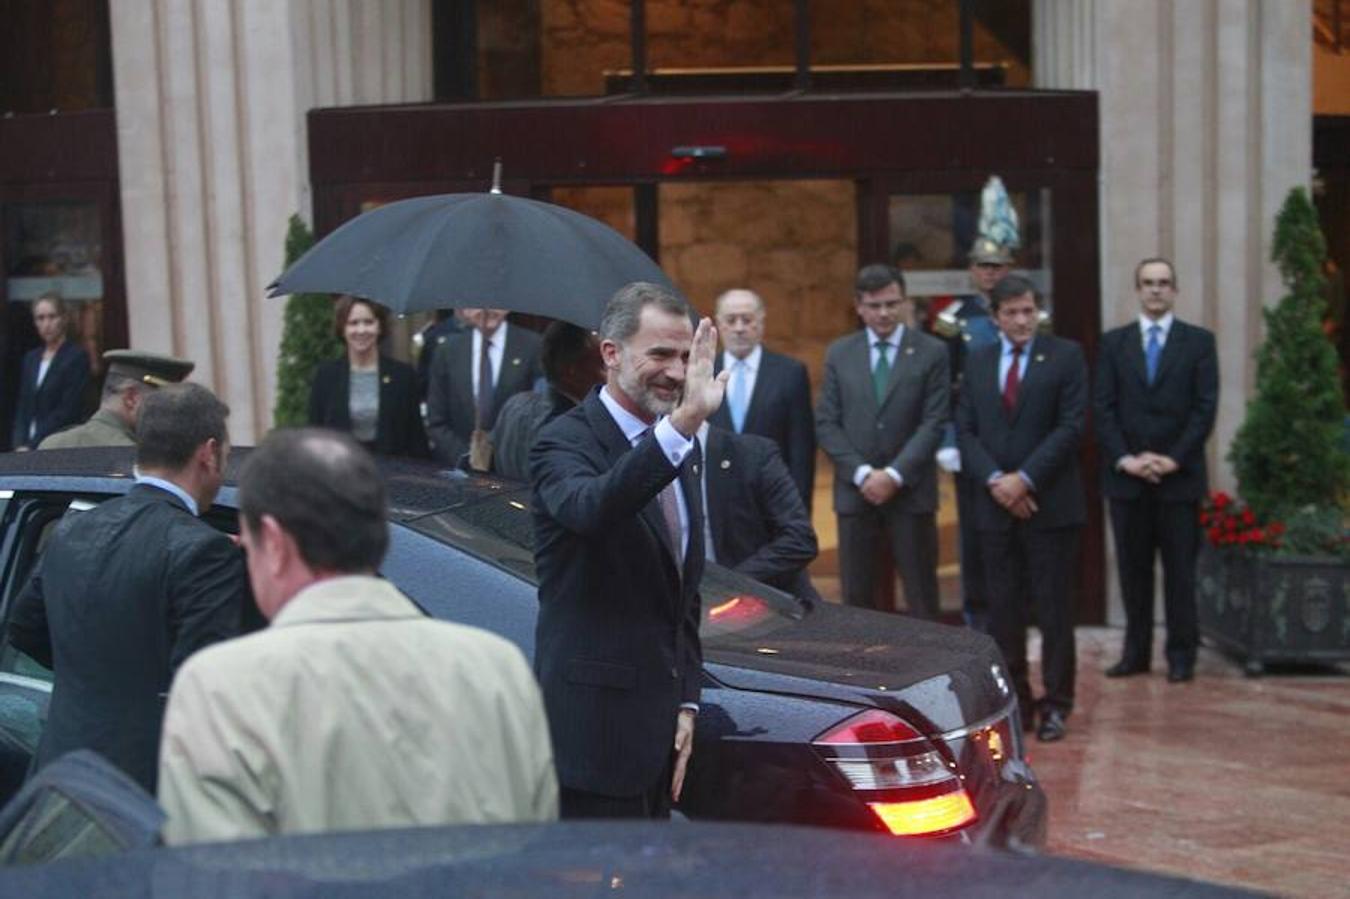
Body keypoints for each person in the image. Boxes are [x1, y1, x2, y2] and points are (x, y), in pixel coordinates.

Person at [157, 429, 557, 844]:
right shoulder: (498, 668)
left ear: (274, 543)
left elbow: (213, 874)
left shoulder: (219, 688)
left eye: (248, 545)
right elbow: (534, 843)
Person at [530, 281, 726, 819]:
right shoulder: (562, 442)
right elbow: (592, 508)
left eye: (686, 357)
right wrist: (683, 425)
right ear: (610, 354)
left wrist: (687, 700)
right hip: (593, 743)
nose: (678, 372)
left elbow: (681, 593)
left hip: (662, 745)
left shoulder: (677, 448)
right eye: (660, 354)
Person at [7, 383, 247, 791]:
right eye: (225, 455)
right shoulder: (204, 551)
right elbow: (205, 689)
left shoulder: (72, 529)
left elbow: (25, 627)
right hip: (140, 794)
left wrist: (96, 673)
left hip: (54, 786)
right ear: (207, 453)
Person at [955, 275, 1087, 742]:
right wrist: (997, 481)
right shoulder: (978, 360)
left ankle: (1057, 704)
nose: (1021, 320)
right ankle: (1019, 703)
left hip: (1049, 508)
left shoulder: (1066, 357)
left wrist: (1024, 479)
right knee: (1003, 611)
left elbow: (1071, 427)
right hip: (994, 508)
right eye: (1011, 312)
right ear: (995, 318)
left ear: (1039, 312)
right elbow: (965, 430)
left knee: (1054, 612)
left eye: (1029, 311)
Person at [1095, 258, 1219, 684]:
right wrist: (1127, 459)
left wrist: (1173, 458)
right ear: (1138, 289)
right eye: (1148, 283)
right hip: (1127, 480)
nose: (1155, 290)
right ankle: (1136, 653)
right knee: (1133, 572)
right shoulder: (1114, 344)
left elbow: (1205, 408)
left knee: (1180, 573)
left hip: (1178, 480)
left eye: (1164, 283)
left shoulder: (1198, 342)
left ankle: (1182, 654)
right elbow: (1103, 408)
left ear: (1175, 289)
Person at [815, 264, 949, 617]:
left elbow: (934, 421)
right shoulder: (840, 353)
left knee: (921, 595)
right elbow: (827, 422)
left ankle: (928, 669)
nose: (885, 313)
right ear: (859, 306)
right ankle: (864, 671)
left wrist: (894, 475)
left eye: (892, 303)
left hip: (911, 492)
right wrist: (862, 474)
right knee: (858, 597)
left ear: (905, 302)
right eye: (875, 305)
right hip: (856, 493)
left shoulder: (932, 351)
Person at [934, 238, 1011, 631]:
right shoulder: (953, 319)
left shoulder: (1028, 312)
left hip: (1014, 435)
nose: (990, 272)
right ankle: (975, 614)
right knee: (974, 535)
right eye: (983, 265)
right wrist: (948, 440)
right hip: (970, 434)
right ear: (971, 269)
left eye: (997, 265)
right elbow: (945, 383)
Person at [707, 289, 816, 512]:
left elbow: (801, 449)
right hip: (714, 500)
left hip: (773, 499)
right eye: (731, 320)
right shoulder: (702, 373)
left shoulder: (790, 373)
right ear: (718, 324)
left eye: (747, 320)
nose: (739, 328)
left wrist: (799, 510)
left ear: (761, 322)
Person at [699, 422, 819, 599]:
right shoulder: (650, 463)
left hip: (766, 605)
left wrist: (729, 584)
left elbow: (799, 540)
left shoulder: (754, 454)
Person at [307, 296, 428, 458]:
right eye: (353, 323)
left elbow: (416, 439)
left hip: (394, 476)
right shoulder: (326, 376)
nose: (361, 330)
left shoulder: (402, 376)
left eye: (368, 322)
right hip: (340, 475)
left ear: (379, 326)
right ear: (342, 328)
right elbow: (315, 436)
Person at [426, 307, 543, 466]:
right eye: (477, 304)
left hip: (513, 469)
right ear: (464, 310)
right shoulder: (447, 351)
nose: (486, 310)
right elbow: (437, 421)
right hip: (460, 471)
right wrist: (467, 459)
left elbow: (539, 413)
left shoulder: (532, 346)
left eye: (494, 302)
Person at [490, 321, 604, 481]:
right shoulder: (572, 426)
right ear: (573, 371)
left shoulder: (514, 404)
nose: (609, 376)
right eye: (603, 367)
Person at [38, 349, 194, 449]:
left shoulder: (52, 446)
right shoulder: (140, 461)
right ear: (131, 398)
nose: (170, 412)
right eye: (163, 401)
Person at [12, 293, 89, 450]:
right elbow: (23, 405)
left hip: (57, 443)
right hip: (25, 446)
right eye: (40, 318)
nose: (46, 324)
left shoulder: (75, 357)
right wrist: (19, 442)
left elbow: (67, 409)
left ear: (63, 319)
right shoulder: (31, 358)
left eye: (52, 317)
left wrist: (33, 443)